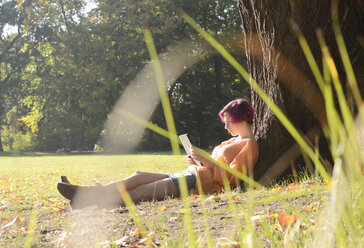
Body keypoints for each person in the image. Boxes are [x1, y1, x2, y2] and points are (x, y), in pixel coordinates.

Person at [57, 98, 259, 209]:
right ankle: (84, 193)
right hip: (192, 175)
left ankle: (86, 200)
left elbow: (231, 179)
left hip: (197, 184)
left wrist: (205, 159)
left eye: (228, 122)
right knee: (139, 176)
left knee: (142, 192)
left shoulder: (249, 145)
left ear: (240, 118)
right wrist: (196, 162)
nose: (226, 126)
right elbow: (213, 166)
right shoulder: (233, 141)